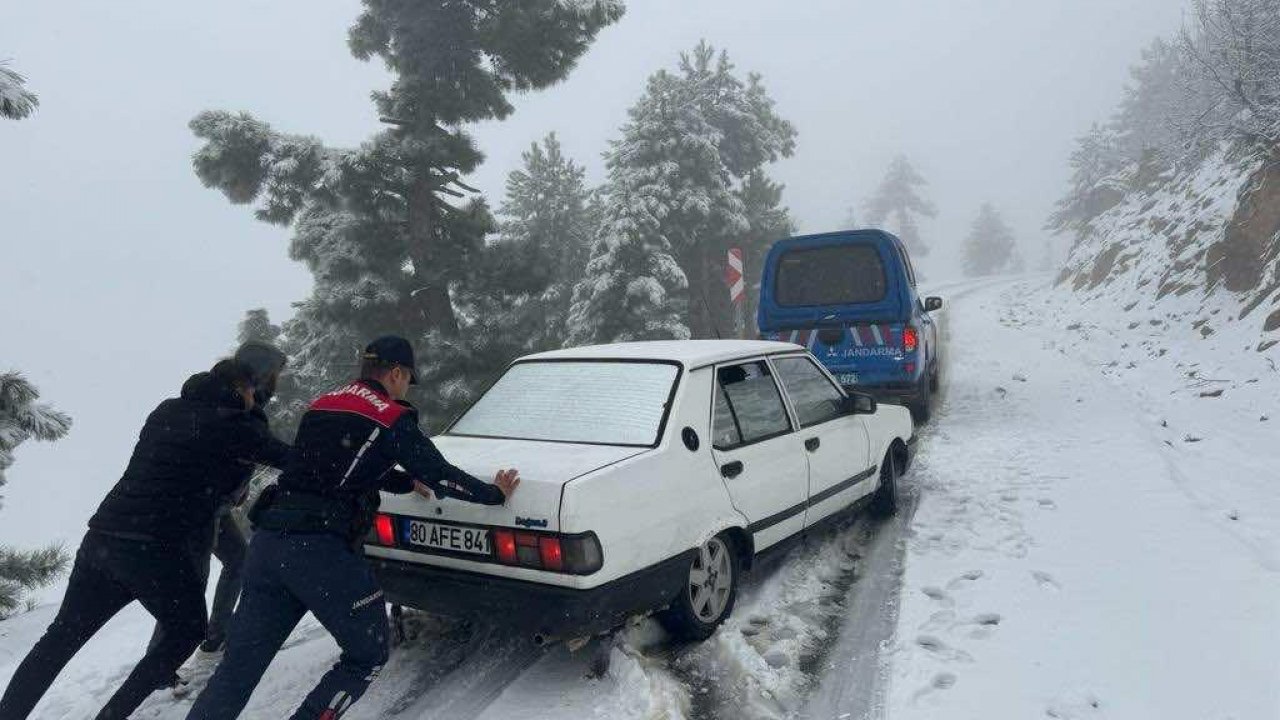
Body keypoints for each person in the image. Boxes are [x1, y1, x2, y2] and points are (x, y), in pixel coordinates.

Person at [186, 336, 519, 720]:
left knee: (237, 670)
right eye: (408, 378)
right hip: (319, 551)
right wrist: (494, 494)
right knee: (368, 654)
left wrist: (404, 482)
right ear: (396, 372)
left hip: (267, 544)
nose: (406, 387)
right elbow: (441, 476)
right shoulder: (392, 416)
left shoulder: (323, 404)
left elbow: (333, 468)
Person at [0, 355, 290, 720]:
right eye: (253, 392)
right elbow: (286, 456)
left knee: (60, 639)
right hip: (154, 550)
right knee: (187, 631)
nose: (255, 398)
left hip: (103, 539)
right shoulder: (235, 427)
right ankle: (113, 714)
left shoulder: (167, 411)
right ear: (240, 390)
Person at [157, 342, 289, 696]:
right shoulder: (232, 409)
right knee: (187, 585)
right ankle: (161, 664)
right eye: (275, 374)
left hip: (214, 505)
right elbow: (253, 447)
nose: (278, 382)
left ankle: (215, 638)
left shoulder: (242, 405)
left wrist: (237, 488)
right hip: (195, 510)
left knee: (237, 559)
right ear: (260, 375)